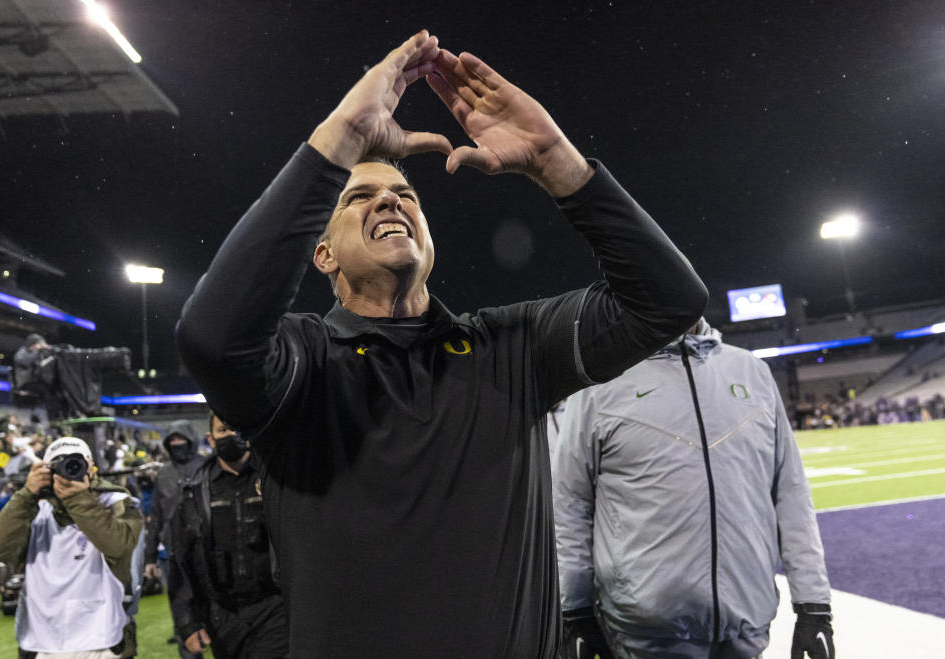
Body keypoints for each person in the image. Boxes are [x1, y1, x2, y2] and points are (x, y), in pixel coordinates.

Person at [176, 30, 708, 657]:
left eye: (406, 196)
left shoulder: (511, 346)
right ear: (321, 254)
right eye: (359, 198)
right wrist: (342, 136)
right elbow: (213, 339)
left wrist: (554, 160)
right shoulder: (299, 363)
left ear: (429, 237)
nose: (390, 201)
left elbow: (669, 299)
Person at [553, 318, 834, 659]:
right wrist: (576, 612)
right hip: (646, 632)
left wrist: (813, 605)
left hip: (747, 622)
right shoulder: (601, 382)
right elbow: (569, 503)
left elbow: (790, 494)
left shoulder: (751, 370)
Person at [0, 436, 142, 657]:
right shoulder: (33, 506)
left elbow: (118, 546)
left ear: (92, 467)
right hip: (42, 642)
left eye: (77, 462)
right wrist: (26, 494)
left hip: (102, 640)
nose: (69, 469)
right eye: (59, 464)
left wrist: (76, 498)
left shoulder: (115, 501)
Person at [167, 413, 288, 658]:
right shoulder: (195, 492)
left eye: (236, 429)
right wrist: (187, 623)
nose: (231, 435)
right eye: (223, 430)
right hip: (222, 615)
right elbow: (180, 560)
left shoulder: (273, 481)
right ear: (211, 440)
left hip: (274, 609)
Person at [143, 420, 204, 658]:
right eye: (173, 441)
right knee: (181, 608)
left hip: (207, 550)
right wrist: (150, 557)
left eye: (181, 439)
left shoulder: (207, 466)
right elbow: (155, 517)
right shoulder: (164, 474)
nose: (177, 444)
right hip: (174, 555)